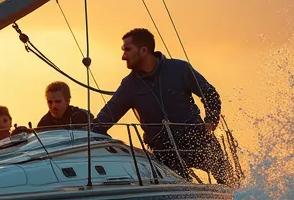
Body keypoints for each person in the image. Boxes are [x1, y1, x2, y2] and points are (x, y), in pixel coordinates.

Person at [90, 28, 237, 184]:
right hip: (164, 152)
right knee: (181, 191)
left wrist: (212, 120)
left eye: (127, 50)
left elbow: (209, 93)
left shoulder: (180, 69)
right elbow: (106, 117)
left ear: (144, 50)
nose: (123, 56)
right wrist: (81, 135)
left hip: (196, 140)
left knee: (229, 182)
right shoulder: (129, 86)